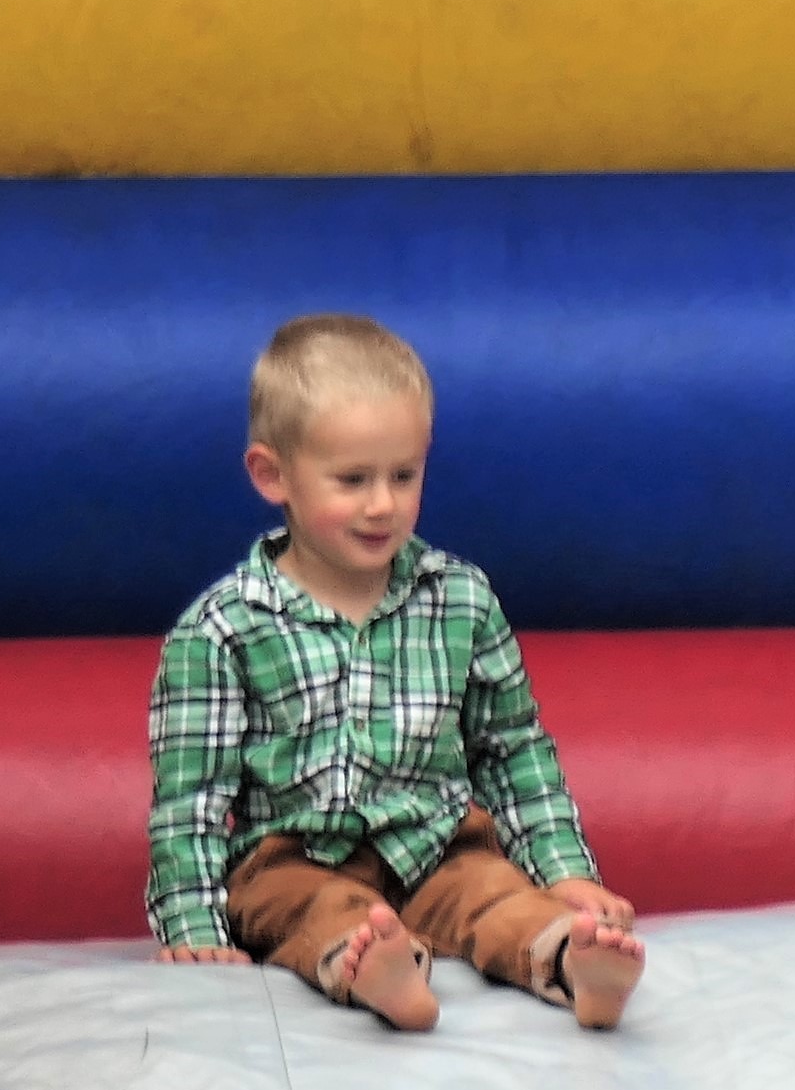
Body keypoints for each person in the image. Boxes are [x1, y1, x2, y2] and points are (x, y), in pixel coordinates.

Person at [148, 313, 646, 1031]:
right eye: (352, 480)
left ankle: (573, 961)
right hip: (293, 857)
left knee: (496, 894)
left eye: (403, 475)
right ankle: (375, 967)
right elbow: (190, 802)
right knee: (307, 907)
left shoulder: (460, 598)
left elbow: (513, 752)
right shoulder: (221, 630)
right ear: (272, 474)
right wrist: (193, 927)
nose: (382, 504)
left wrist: (565, 871)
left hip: (436, 847)